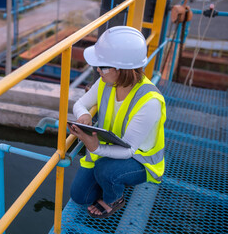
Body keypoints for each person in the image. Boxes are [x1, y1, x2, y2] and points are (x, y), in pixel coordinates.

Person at [68, 26, 166, 219]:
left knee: (107, 171)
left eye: (103, 66)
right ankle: (111, 178)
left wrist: (95, 148)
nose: (98, 70)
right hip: (108, 150)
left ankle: (114, 199)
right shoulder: (106, 81)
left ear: (122, 70)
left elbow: (129, 150)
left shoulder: (149, 101)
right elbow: (80, 103)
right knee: (80, 196)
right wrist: (84, 115)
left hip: (140, 159)